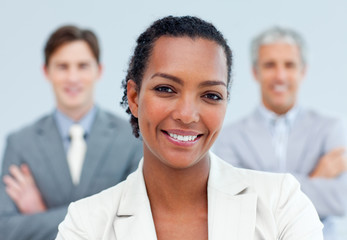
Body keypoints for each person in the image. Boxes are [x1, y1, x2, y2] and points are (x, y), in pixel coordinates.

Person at [56, 16, 323, 240]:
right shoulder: (87, 224)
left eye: (211, 95)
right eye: (165, 89)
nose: (186, 115)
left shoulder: (281, 204)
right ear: (135, 98)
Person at [0, 25, 143, 240]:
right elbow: (5, 228)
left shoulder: (132, 137)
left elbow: (136, 221)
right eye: (62, 66)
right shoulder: (20, 143)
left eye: (83, 66)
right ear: (46, 71)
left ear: (99, 70)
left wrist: (41, 214)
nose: (73, 77)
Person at [213, 26, 347, 239]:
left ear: (303, 71)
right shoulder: (230, 136)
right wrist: (315, 178)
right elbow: (233, 204)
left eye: (289, 65)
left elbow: (339, 200)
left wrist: (259, 190)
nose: (280, 76)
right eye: (270, 65)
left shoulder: (330, 128)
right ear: (255, 72)